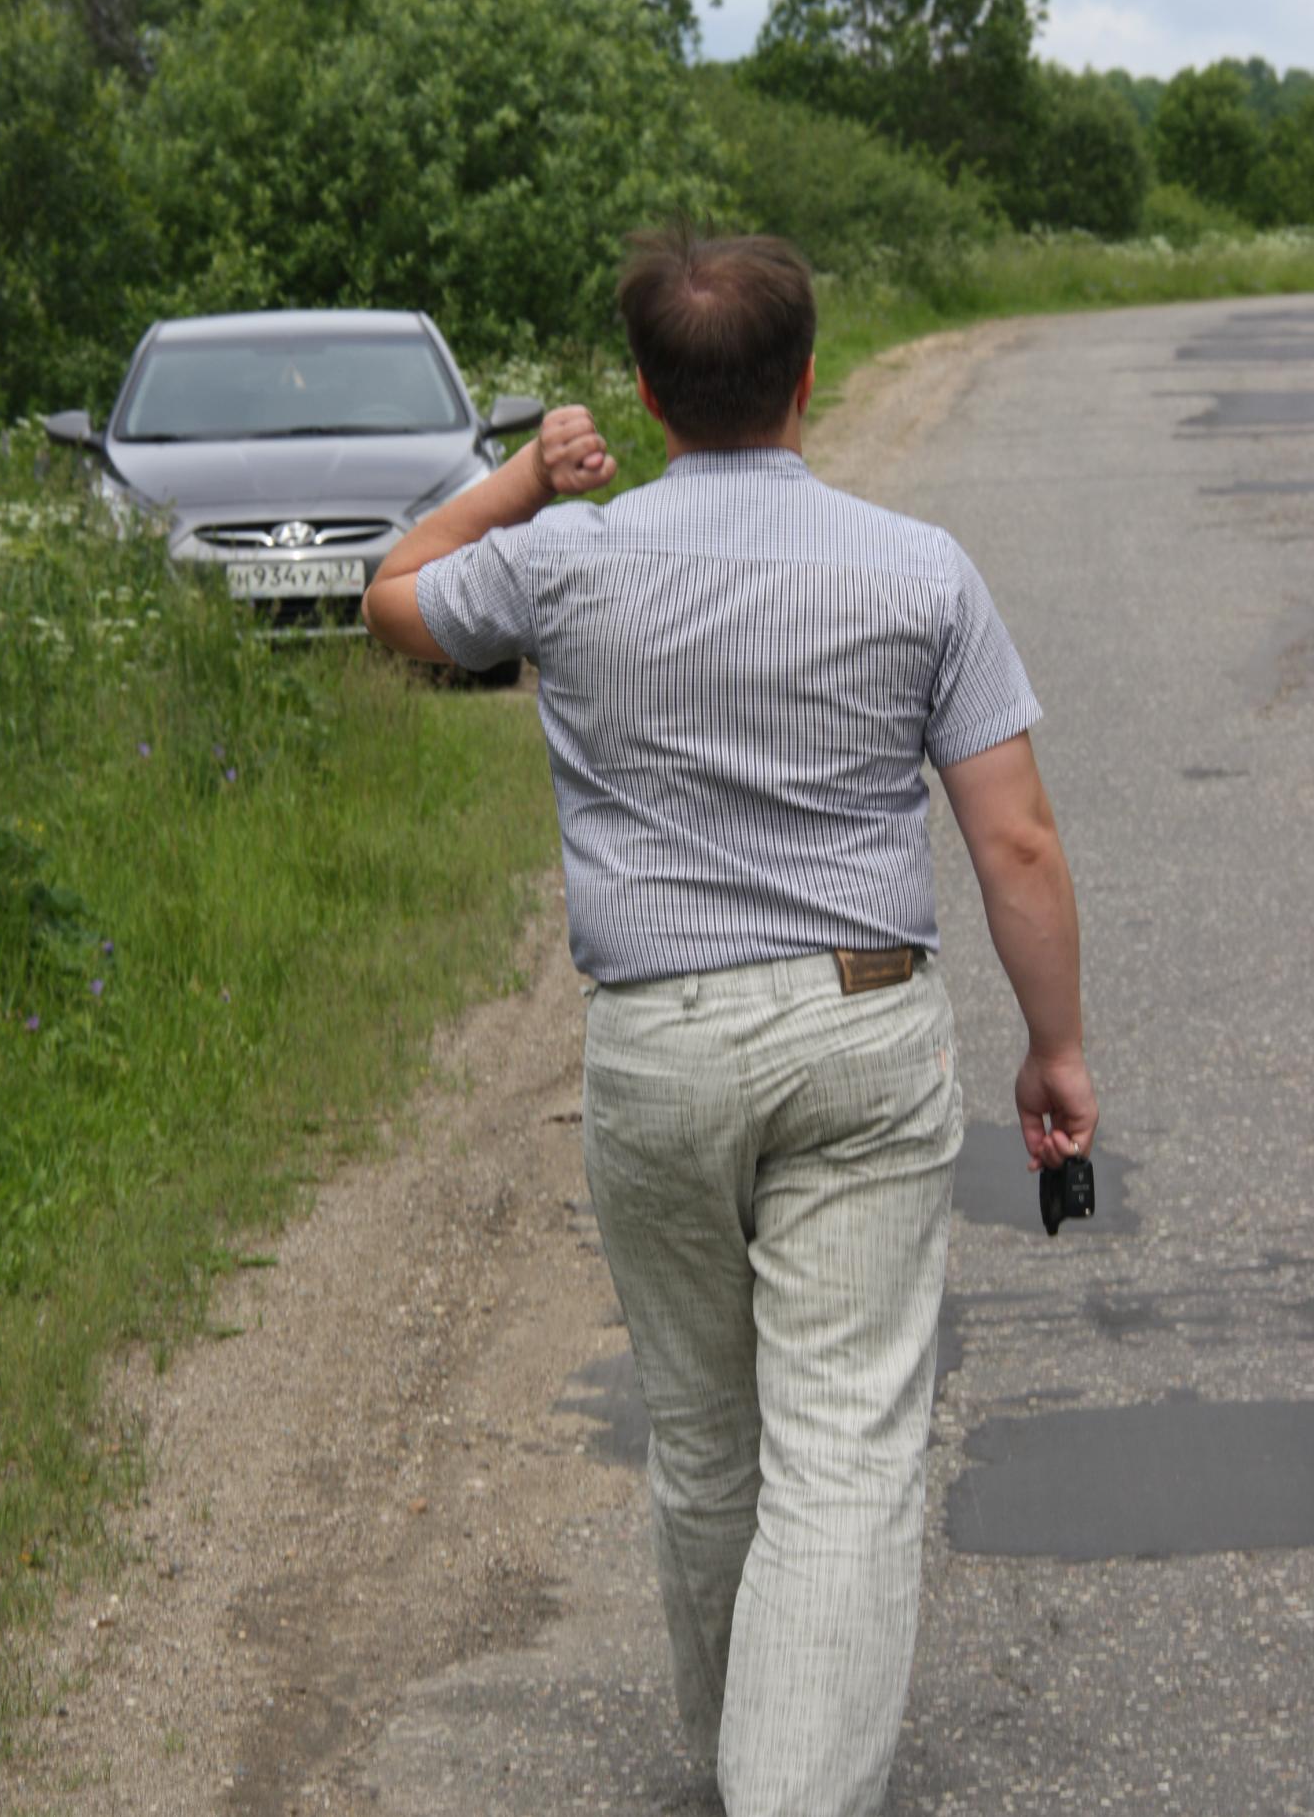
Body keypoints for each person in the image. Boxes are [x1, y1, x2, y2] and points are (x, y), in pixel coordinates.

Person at [362, 225, 1098, 1817]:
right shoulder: (918, 568)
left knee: (703, 1440)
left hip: (660, 1040)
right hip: (861, 1024)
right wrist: (1056, 1047)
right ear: (808, 379)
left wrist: (523, 477)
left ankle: (746, 1762)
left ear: (645, 391)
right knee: (846, 1445)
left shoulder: (567, 558)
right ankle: (788, 1785)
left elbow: (394, 596)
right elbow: (1018, 843)